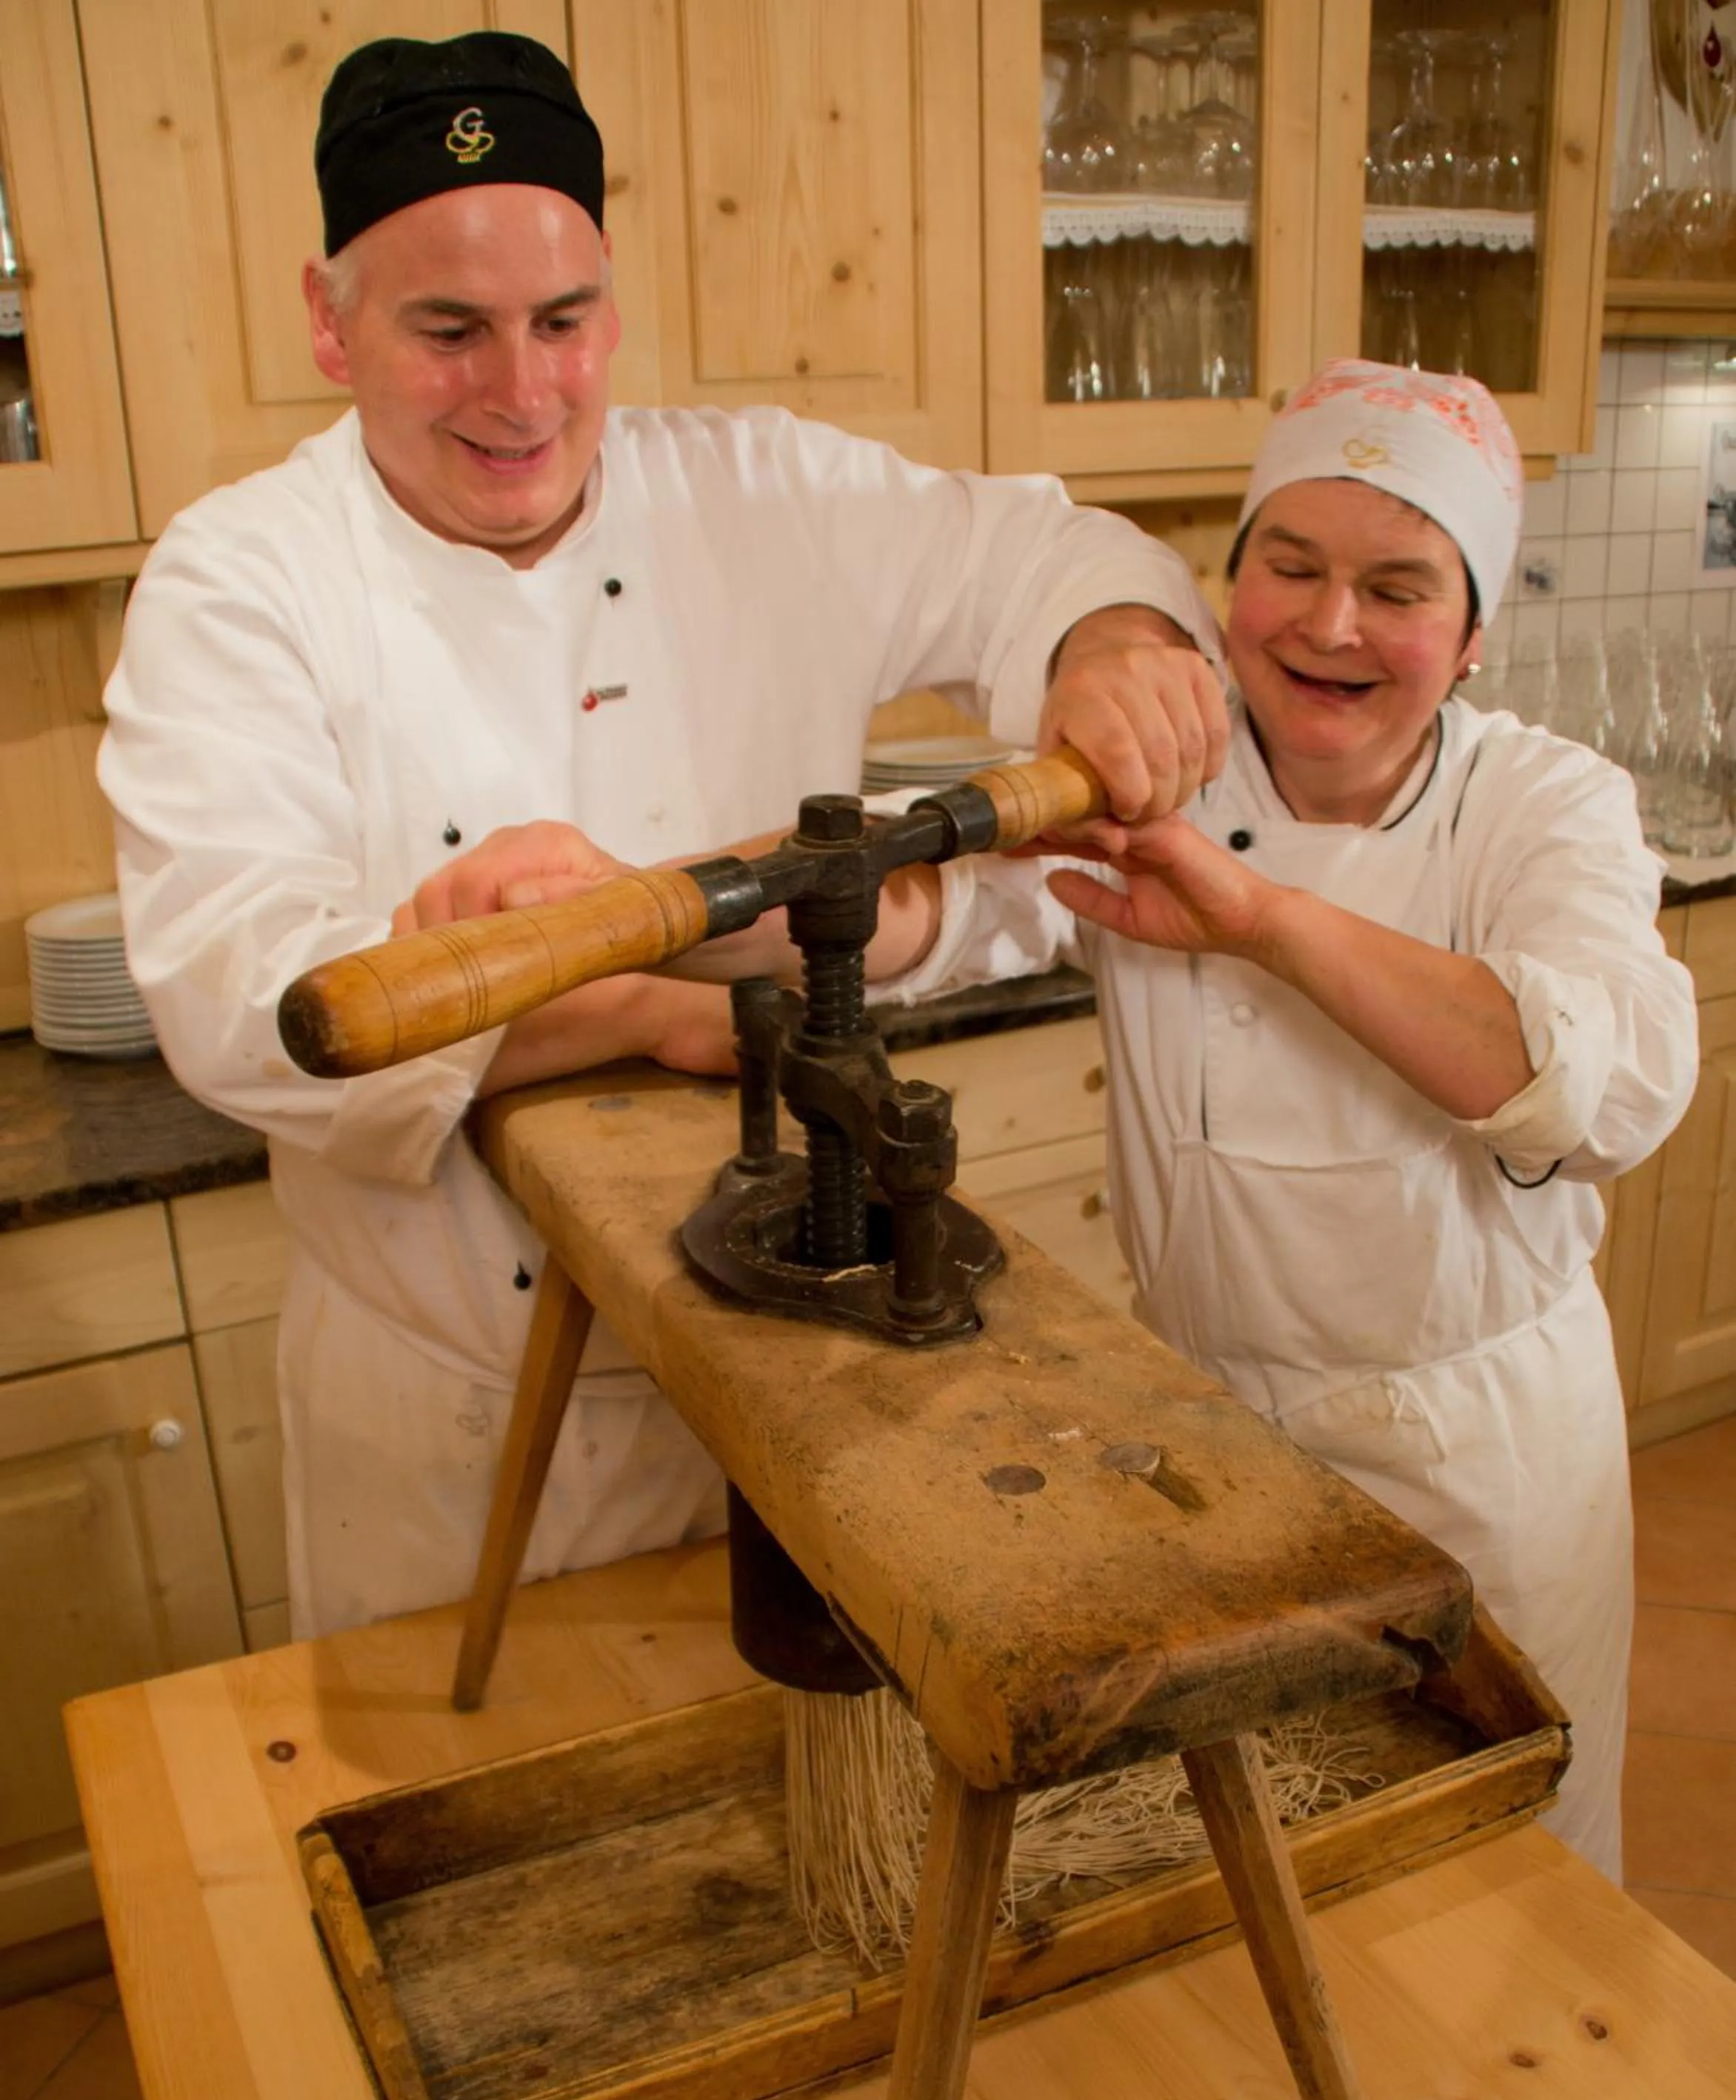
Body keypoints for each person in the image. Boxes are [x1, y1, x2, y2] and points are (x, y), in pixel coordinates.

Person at [96, 30, 1225, 1640]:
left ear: (610, 305)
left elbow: (1044, 549)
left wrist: (1107, 642)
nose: (522, 390)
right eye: (447, 331)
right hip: (447, 1425)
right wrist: (678, 1005)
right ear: (328, 323)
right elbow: (245, 1009)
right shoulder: (241, 579)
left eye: (563, 322)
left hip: (793, 1385)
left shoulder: (763, 491)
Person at [871, 360, 1699, 1883]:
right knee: (1250, 1864)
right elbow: (937, 912)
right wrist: (719, 913)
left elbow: (1616, 1082)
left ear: (1467, 636)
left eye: (1393, 588)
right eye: (1287, 568)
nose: (1326, 626)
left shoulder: (1542, 806)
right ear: (1224, 585)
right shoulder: (1155, 780)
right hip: (1209, 1447)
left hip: (1475, 1456)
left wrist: (1261, 922)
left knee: (1509, 1867)